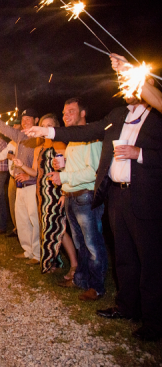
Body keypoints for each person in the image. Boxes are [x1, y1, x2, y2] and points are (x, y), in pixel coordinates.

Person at [23, 81, 162, 341]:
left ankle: (154, 322)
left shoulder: (156, 117)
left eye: (134, 83)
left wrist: (139, 153)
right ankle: (126, 307)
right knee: (124, 255)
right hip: (117, 195)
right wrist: (46, 131)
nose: (126, 86)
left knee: (150, 260)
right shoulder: (118, 116)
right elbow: (83, 132)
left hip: (145, 195)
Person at [52, 98, 107, 298]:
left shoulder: (91, 137)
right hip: (72, 196)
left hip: (86, 196)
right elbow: (76, 169)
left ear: (83, 114)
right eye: (64, 112)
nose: (66, 116)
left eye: (71, 112)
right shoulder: (73, 139)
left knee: (92, 243)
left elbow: (93, 172)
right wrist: (63, 168)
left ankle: (97, 286)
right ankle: (81, 280)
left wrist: (63, 176)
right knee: (80, 243)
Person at [12, 114, 78, 275]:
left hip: (55, 192)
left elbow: (67, 169)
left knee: (59, 229)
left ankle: (75, 265)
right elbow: (35, 172)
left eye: (49, 125)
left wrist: (64, 193)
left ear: (55, 128)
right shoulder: (38, 148)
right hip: (41, 193)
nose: (45, 128)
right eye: (43, 125)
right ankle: (53, 261)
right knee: (48, 228)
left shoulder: (59, 144)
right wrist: (22, 166)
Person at [0, 107, 40, 263]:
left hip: (33, 185)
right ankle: (28, 250)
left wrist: (31, 174)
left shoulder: (40, 137)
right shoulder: (19, 136)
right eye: (23, 119)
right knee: (22, 220)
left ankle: (38, 254)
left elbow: (42, 163)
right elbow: (3, 127)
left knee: (34, 219)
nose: (25, 121)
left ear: (36, 121)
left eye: (29, 119)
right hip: (20, 184)